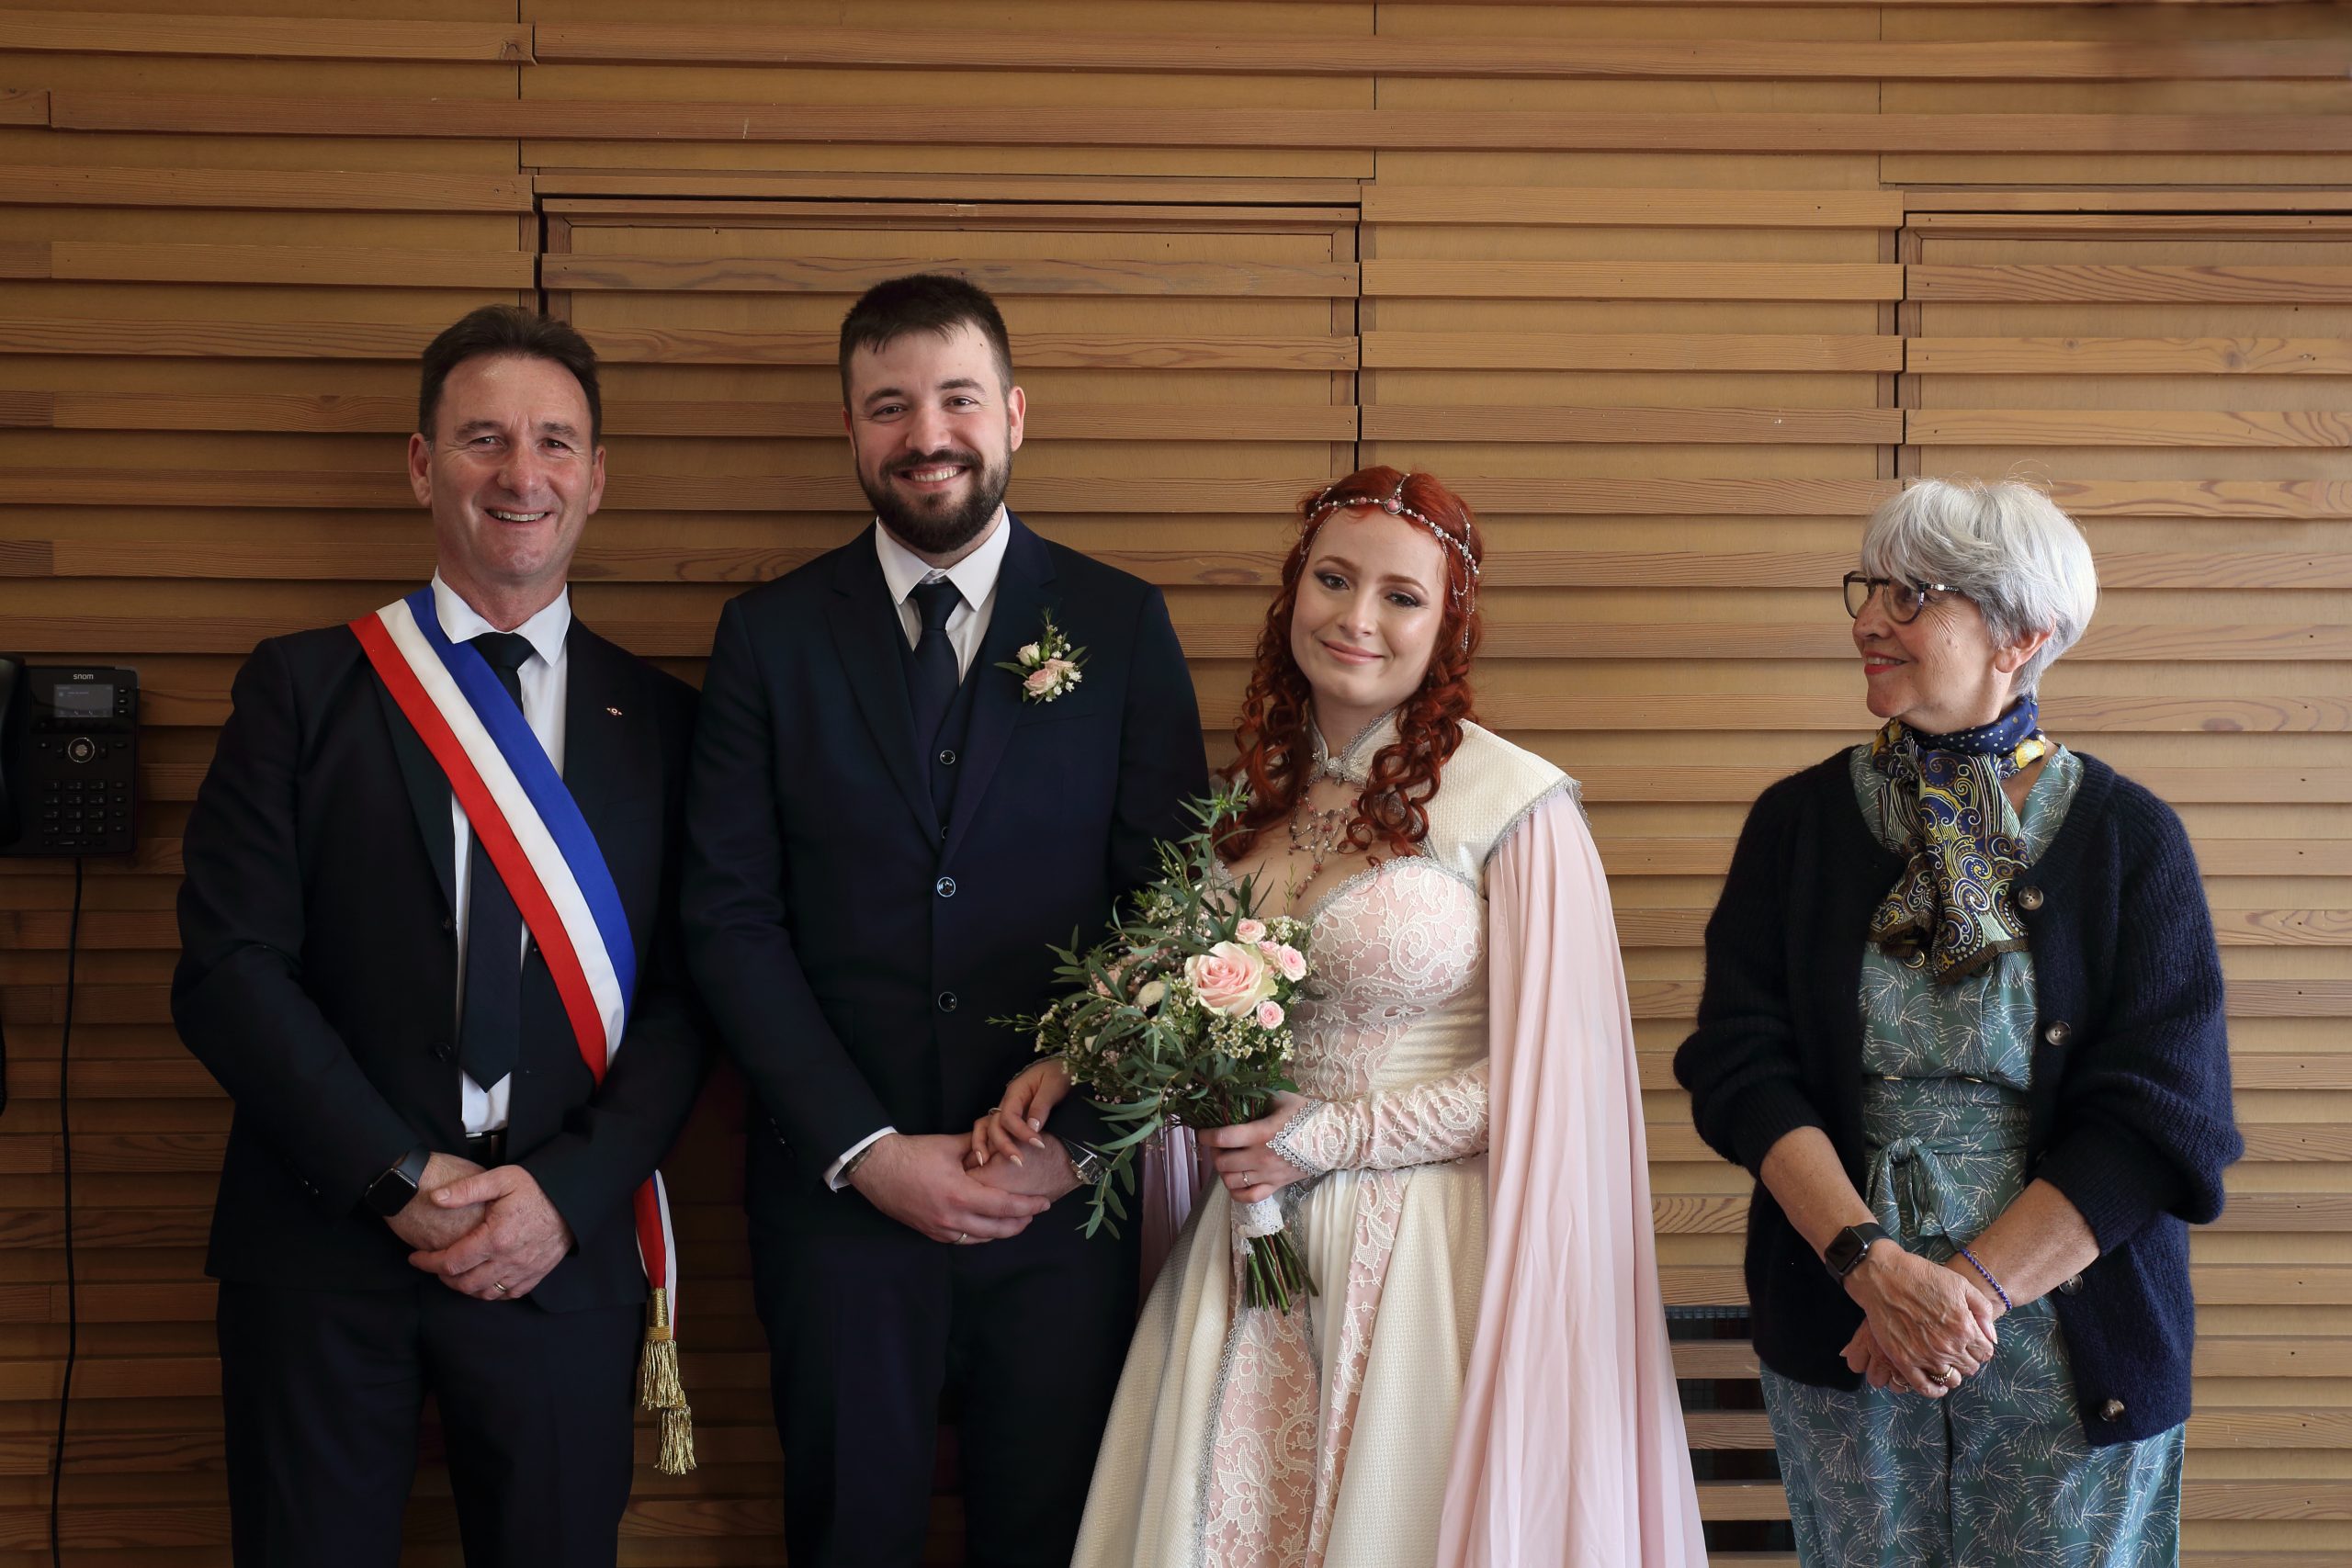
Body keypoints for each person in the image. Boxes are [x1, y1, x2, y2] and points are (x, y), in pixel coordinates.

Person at [988, 467, 1707, 1568]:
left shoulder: (1511, 805)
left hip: (1427, 1254)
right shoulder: (1251, 803)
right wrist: (1085, 1053)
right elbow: (1181, 982)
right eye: (1333, 579)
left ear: (1447, 627)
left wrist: (1331, 1135)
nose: (1356, 617)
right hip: (1248, 1244)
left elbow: (1559, 1082)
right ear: (1294, 595)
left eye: (1400, 596)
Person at [680, 273, 1207, 1567]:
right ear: (851, 429)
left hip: (1060, 1212)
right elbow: (729, 918)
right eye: (890, 406)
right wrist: (863, 1149)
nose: (928, 435)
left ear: (1014, 413)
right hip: (837, 1209)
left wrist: (1075, 1145)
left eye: (959, 399)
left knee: (1055, 1537)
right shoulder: (766, 636)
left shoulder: (1120, 622)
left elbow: (1175, 910)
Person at [173, 305, 707, 1566]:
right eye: (483, 439)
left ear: (596, 475)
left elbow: (696, 995)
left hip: (559, 1250)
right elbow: (229, 971)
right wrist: (393, 1179)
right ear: (423, 464)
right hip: (323, 1246)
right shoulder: (303, 687)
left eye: (555, 441)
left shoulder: (668, 721)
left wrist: (565, 1194)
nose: (522, 474)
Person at [1674, 478, 2244, 1565]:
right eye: (1867, 589)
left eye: (1912, 596)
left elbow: (2163, 1116)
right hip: (1848, 1311)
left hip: (2069, 1332)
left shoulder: (2130, 839)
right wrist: (1872, 1270)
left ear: (2020, 637)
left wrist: (1959, 1298)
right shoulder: (1795, 824)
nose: (1866, 622)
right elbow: (1741, 1066)